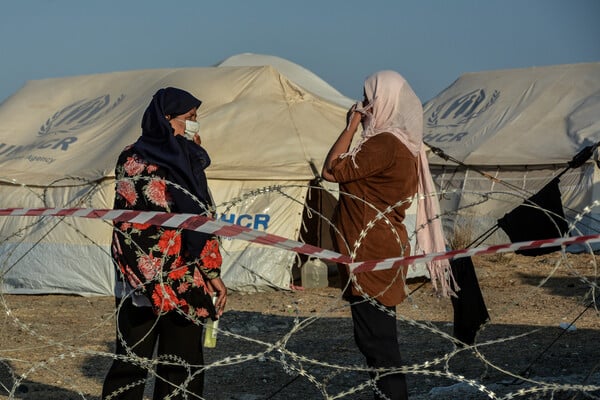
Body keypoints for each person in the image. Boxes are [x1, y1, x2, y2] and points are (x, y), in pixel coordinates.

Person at [322, 71, 450, 400]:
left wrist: (350, 126)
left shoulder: (384, 144)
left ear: (384, 102)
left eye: (368, 100)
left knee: (379, 347)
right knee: (377, 344)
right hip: (377, 249)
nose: (362, 106)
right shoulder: (401, 145)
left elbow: (331, 168)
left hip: (370, 254)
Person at [102, 87, 227, 400]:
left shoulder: (130, 158)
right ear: (167, 118)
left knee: (131, 363)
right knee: (178, 366)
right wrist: (212, 273)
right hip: (181, 276)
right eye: (189, 118)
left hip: (135, 275)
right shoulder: (183, 160)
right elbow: (201, 218)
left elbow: (127, 223)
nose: (194, 124)